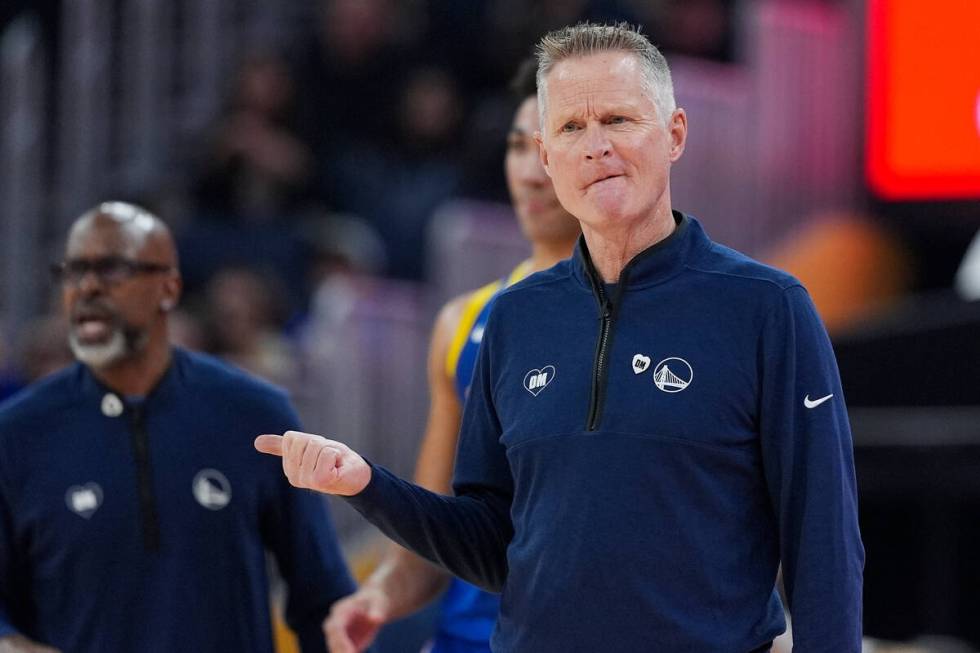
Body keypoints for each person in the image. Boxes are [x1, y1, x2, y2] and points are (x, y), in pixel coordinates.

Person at [256, 22, 864, 652]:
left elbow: (823, 537)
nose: (595, 146)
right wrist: (366, 485)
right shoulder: (514, 319)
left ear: (675, 134)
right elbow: (494, 545)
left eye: (619, 120)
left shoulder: (768, 307)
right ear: (548, 158)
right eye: (572, 128)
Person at [0, 202, 356, 653]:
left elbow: (324, 599)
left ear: (168, 288)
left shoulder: (255, 415)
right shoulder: (17, 434)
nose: (87, 288)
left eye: (111, 270)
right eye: (74, 271)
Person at [323, 60, 581, 653]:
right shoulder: (461, 321)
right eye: (518, 149)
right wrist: (380, 595)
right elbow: (436, 527)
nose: (530, 173)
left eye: (548, 149)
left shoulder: (646, 314)